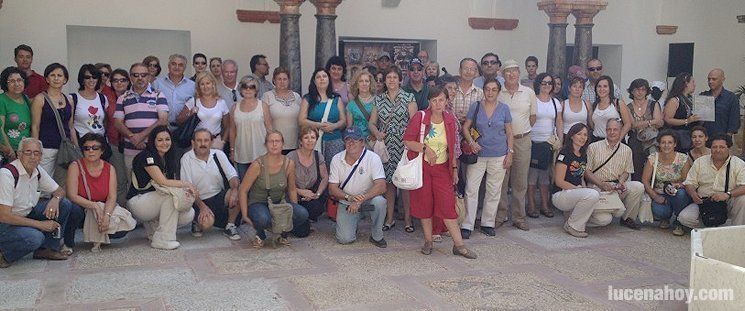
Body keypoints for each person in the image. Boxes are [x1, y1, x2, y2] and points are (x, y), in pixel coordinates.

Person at [403, 87, 476, 258]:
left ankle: (459, 245)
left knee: (447, 206)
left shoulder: (450, 120)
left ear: (446, 101)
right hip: (423, 168)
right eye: (434, 100)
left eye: (441, 100)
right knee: (425, 204)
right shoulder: (420, 118)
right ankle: (428, 241)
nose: (438, 104)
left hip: (443, 169)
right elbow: (407, 141)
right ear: (429, 101)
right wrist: (425, 148)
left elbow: (452, 148)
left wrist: (455, 169)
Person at [0, 137, 75, 267]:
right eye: (28, 152)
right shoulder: (7, 174)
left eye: (36, 153)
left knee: (64, 205)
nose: (32, 157)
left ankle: (46, 249)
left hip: (25, 215)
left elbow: (60, 191)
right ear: (19, 154)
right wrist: (40, 225)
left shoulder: (37, 170)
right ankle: (4, 255)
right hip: (5, 224)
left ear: (41, 156)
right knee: (35, 238)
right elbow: (4, 216)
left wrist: (55, 199)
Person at [127, 126, 197, 250]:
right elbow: (162, 181)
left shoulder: (169, 158)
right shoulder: (146, 156)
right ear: (153, 141)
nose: (164, 143)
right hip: (138, 201)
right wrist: (186, 184)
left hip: (155, 201)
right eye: (160, 140)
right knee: (171, 197)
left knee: (188, 213)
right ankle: (163, 239)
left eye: (167, 139)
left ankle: (154, 229)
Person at [238, 131, 310, 248]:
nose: (274, 144)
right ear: (266, 144)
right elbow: (243, 190)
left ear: (283, 144)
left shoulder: (288, 164)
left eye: (277, 141)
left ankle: (283, 233)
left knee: (302, 213)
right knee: (262, 218)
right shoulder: (258, 164)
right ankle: (260, 234)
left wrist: (291, 212)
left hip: (278, 202)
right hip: (258, 203)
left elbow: (292, 189)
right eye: (271, 141)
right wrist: (245, 215)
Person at [65, 133, 135, 252]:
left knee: (121, 231)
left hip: (102, 207)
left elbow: (112, 197)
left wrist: (106, 216)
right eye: (87, 148)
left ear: (102, 151)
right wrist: (94, 206)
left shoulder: (110, 168)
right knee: (73, 210)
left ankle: (101, 234)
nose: (91, 151)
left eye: (95, 148)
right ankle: (68, 243)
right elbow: (72, 195)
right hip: (82, 207)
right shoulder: (75, 166)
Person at [460, 78, 512, 238]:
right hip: (478, 154)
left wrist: (510, 152)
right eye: (487, 89)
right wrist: (471, 142)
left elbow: (510, 132)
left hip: (498, 154)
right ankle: (467, 224)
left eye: (493, 89)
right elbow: (465, 127)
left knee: (494, 190)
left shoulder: (504, 109)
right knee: (471, 189)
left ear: (498, 91)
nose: (490, 92)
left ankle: (488, 222)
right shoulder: (476, 106)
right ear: (483, 90)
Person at [368, 67, 417, 233]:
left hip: (404, 145)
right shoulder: (378, 100)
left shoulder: (408, 97)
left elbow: (414, 122)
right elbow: (372, 123)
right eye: (389, 77)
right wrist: (377, 133)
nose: (391, 80)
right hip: (386, 146)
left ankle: (408, 219)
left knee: (405, 183)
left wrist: (409, 141)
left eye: (395, 77)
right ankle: (389, 218)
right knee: (388, 183)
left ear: (400, 80)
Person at [328, 127, 387, 246]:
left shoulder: (373, 158)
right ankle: (353, 221)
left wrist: (360, 200)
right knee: (345, 239)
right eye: (348, 140)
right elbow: (332, 188)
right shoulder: (336, 159)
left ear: (362, 143)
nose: (350, 143)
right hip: (347, 201)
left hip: (368, 199)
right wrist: (349, 198)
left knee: (380, 202)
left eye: (354, 140)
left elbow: (381, 186)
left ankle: (376, 235)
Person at [495, 59, 536, 231]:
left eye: (514, 71)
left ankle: (519, 216)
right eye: (507, 71)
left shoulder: (528, 92)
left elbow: (533, 117)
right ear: (502, 75)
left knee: (520, 180)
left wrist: (520, 131)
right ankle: (500, 215)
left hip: (522, 140)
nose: (511, 74)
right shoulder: (498, 93)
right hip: (501, 141)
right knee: (501, 180)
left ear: (519, 73)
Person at [180, 129, 241, 240]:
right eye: (199, 140)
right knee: (207, 225)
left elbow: (232, 176)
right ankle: (196, 222)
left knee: (240, 192)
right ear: (193, 143)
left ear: (211, 142)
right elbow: (188, 188)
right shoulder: (186, 158)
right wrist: (202, 207)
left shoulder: (218, 154)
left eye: (206, 140)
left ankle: (230, 225)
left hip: (218, 196)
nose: (203, 144)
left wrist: (235, 190)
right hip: (198, 200)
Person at [586, 119, 643, 230]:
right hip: (597, 185)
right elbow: (587, 172)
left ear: (621, 130)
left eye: (615, 129)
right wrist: (601, 184)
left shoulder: (627, 150)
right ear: (606, 131)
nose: (612, 132)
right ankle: (583, 218)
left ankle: (627, 219)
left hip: (616, 186)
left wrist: (621, 183)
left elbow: (627, 171)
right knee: (604, 220)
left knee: (638, 186)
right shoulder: (593, 147)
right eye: (609, 129)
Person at [680, 133, 745, 228]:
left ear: (729, 148)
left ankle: (736, 230)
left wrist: (727, 194)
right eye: (714, 147)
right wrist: (693, 194)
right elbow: (689, 182)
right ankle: (712, 228)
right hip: (705, 202)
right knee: (684, 218)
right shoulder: (700, 162)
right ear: (710, 148)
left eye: (722, 147)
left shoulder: (738, 164)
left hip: (728, 201)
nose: (718, 150)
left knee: (743, 199)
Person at [113, 63, 169, 172]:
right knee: (132, 183)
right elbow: (118, 123)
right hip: (130, 149)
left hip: (154, 149)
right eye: (136, 75)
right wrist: (133, 137)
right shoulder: (122, 98)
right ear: (130, 77)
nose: (140, 78)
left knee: (156, 184)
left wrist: (141, 136)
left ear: (148, 77)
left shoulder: (158, 95)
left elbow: (163, 120)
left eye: (143, 75)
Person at [31, 63, 77, 182]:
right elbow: (35, 126)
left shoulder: (69, 100)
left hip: (65, 148)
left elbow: (71, 126)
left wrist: (76, 146)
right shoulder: (40, 99)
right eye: (52, 75)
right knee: (45, 183)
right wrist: (36, 148)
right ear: (47, 78)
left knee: (64, 182)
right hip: (46, 147)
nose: (56, 78)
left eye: (60, 75)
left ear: (65, 79)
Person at [551, 123, 598, 238]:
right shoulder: (564, 153)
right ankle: (573, 226)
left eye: (585, 135)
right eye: (579, 134)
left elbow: (581, 177)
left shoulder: (583, 155)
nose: (583, 137)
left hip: (575, 193)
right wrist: (577, 189)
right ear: (572, 136)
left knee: (593, 194)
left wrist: (583, 188)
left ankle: (573, 219)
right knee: (592, 194)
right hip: (561, 193)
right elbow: (559, 181)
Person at [640, 130, 691, 235]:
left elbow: (687, 181)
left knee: (681, 194)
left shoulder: (683, 158)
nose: (666, 145)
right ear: (659, 144)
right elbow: (645, 180)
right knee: (659, 211)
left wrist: (678, 185)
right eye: (663, 142)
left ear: (675, 144)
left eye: (670, 142)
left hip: (677, 192)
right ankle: (665, 218)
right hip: (660, 194)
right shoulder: (653, 158)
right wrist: (655, 196)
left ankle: (679, 221)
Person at [527, 73, 563, 218]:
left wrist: (560, 140)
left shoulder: (555, 103)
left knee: (545, 177)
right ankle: (531, 204)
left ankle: (544, 205)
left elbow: (559, 122)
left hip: (548, 144)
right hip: (532, 142)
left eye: (549, 83)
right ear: (538, 84)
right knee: (531, 177)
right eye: (544, 83)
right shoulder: (532, 100)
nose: (547, 85)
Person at [299, 68, 346, 167]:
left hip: (334, 140)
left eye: (324, 76)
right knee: (316, 169)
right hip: (313, 141)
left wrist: (334, 126)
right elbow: (301, 120)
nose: (322, 79)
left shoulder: (336, 99)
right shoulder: (308, 99)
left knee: (334, 170)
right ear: (314, 81)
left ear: (328, 79)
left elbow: (343, 121)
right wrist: (319, 125)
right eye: (318, 77)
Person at [175, 72, 229, 149]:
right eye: (202, 84)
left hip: (216, 142)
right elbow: (179, 120)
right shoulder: (193, 101)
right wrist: (190, 114)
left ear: (213, 84)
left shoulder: (221, 102)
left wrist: (223, 141)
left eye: (208, 83)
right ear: (198, 86)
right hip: (198, 143)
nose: (205, 87)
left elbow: (227, 126)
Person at [231, 79, 271, 178]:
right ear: (240, 89)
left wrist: (271, 149)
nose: (248, 89)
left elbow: (270, 129)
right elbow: (232, 130)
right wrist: (232, 150)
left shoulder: (263, 106)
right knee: (244, 186)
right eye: (245, 86)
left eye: (252, 87)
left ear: (256, 89)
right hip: (241, 153)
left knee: (262, 186)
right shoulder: (234, 107)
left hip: (261, 152)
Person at [287, 126, 329, 222]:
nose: (310, 140)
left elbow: (325, 178)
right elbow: (284, 182)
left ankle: (306, 218)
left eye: (313, 138)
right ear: (300, 141)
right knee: (302, 233)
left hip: (310, 195)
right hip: (292, 195)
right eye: (306, 137)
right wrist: (300, 191)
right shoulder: (291, 156)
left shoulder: (318, 155)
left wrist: (317, 194)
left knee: (317, 207)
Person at [627, 78, 663, 181]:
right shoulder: (628, 107)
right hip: (635, 140)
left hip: (652, 139)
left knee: (653, 166)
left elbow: (659, 122)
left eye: (643, 89)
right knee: (636, 168)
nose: (640, 92)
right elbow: (632, 125)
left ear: (647, 91)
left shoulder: (653, 104)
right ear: (632, 91)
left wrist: (642, 124)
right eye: (637, 89)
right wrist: (650, 122)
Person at [107, 69, 131, 206]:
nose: (119, 83)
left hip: (132, 143)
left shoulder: (134, 96)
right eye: (115, 80)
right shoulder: (106, 97)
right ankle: (122, 211)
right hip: (114, 144)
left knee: (133, 178)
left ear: (128, 82)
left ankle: (137, 212)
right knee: (120, 180)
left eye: (122, 80)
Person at [263, 67, 301, 154]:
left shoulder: (297, 97)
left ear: (289, 80)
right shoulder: (267, 96)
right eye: (279, 79)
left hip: (295, 144)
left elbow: (301, 120)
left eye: (285, 79)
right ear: (274, 80)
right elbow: (265, 121)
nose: (282, 82)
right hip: (275, 145)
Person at [154, 54, 195, 130]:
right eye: (174, 64)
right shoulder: (157, 83)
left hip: (184, 129)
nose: (177, 67)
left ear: (184, 68)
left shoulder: (192, 86)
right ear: (168, 66)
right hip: (161, 128)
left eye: (180, 65)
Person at [0, 66, 32, 161]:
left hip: (25, 152)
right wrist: (9, 151)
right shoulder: (2, 100)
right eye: (12, 81)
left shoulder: (26, 99)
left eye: (19, 80)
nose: (17, 84)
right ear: (5, 83)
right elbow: (0, 128)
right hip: (8, 153)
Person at [663, 72, 699, 152]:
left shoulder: (690, 100)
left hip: (689, 135)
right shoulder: (675, 100)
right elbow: (667, 119)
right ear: (686, 83)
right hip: (678, 136)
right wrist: (687, 121)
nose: (695, 85)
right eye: (692, 82)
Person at [700, 69, 740, 138]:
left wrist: (726, 139)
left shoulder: (731, 98)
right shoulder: (703, 96)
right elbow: (698, 121)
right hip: (704, 140)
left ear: (722, 79)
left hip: (723, 139)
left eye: (714, 79)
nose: (710, 81)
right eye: (709, 79)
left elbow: (734, 121)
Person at [590, 75, 632, 141]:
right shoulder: (594, 105)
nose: (602, 89)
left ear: (610, 88)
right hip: (596, 141)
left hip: (615, 141)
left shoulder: (618, 103)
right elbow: (592, 125)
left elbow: (628, 124)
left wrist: (618, 140)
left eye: (605, 86)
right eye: (599, 86)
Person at [71, 64, 107, 137]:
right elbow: (70, 125)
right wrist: (76, 146)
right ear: (82, 79)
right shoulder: (72, 98)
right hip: (82, 142)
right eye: (87, 77)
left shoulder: (103, 98)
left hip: (100, 142)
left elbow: (105, 122)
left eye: (94, 77)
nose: (91, 80)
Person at [450, 58, 484, 123]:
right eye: (465, 69)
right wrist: (454, 117)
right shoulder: (450, 90)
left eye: (471, 69)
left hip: (472, 130)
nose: (468, 72)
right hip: (451, 129)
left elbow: (483, 115)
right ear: (460, 71)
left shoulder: (481, 93)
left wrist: (470, 117)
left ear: (475, 72)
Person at [346, 69, 376, 137]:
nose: (364, 84)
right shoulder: (351, 105)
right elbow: (349, 128)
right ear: (356, 84)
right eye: (361, 81)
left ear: (370, 83)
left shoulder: (377, 102)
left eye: (367, 81)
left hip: (374, 141)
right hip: (357, 141)